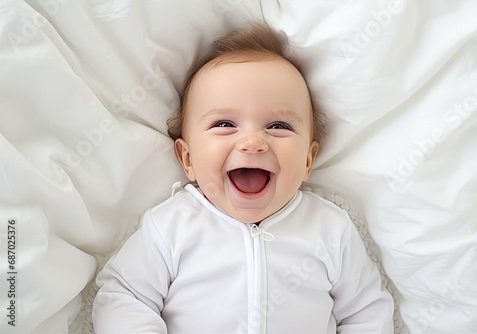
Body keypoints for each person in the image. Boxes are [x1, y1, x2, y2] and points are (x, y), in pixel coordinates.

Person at [92, 22, 394, 334]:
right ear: (188, 158)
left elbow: (366, 310)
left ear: (307, 160)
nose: (252, 142)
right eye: (224, 124)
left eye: (278, 126)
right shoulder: (171, 226)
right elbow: (124, 296)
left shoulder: (331, 229)